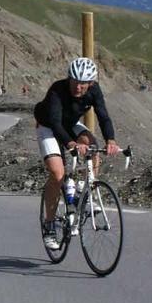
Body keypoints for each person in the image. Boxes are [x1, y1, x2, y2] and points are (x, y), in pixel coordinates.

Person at [34, 57, 120, 250]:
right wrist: (71, 143)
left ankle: (84, 188)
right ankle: (49, 225)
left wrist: (111, 141)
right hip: (48, 125)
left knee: (93, 147)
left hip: (70, 123)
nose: (78, 87)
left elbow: (103, 116)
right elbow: (55, 123)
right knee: (57, 173)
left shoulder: (94, 91)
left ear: (91, 83)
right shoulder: (58, 89)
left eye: (83, 84)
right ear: (69, 78)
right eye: (74, 81)